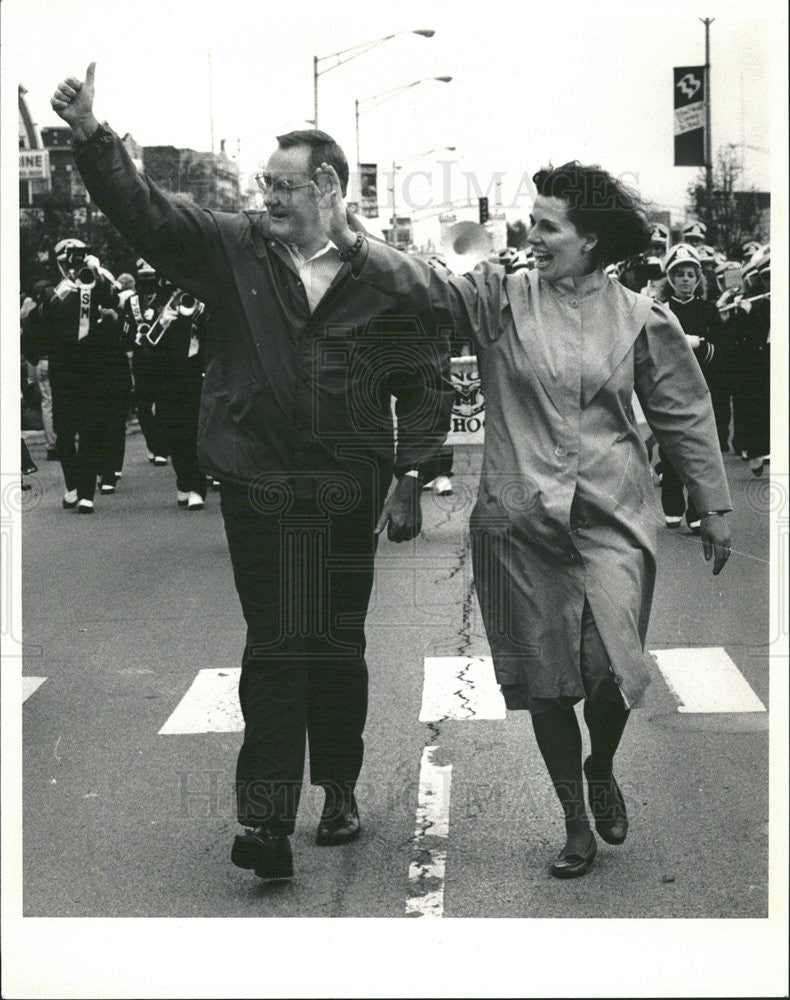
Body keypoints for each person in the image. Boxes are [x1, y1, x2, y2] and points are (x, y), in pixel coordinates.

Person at [51, 63, 453, 879]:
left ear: (329, 187)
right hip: (257, 479)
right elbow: (147, 215)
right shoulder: (233, 248)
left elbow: (425, 373)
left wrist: (413, 474)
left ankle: (338, 787)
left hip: (348, 485)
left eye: (280, 186)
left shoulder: (383, 275)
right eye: (261, 184)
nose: (263, 197)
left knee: (335, 641)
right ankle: (267, 821)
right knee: (275, 641)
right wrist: (93, 136)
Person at [317, 158, 732, 878]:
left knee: (610, 670)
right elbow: (423, 283)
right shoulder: (497, 298)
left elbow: (685, 413)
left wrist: (713, 502)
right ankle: (574, 818)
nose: (531, 236)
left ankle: (600, 763)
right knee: (547, 682)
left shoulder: (640, 316)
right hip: (521, 522)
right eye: (530, 222)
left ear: (591, 240)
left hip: (614, 516)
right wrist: (354, 242)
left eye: (548, 226)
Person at [656, 243, 733, 527]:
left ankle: (697, 509)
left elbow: (723, 348)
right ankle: (673, 502)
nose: (686, 279)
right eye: (679, 274)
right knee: (672, 448)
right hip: (671, 388)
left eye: (691, 274)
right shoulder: (661, 310)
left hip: (702, 386)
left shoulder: (708, 310)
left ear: (698, 279)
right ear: (671, 279)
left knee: (700, 451)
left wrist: (699, 346)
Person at [718, 245, 770, 476]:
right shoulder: (748, 301)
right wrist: (739, 312)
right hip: (754, 362)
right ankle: (755, 448)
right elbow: (737, 336)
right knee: (754, 403)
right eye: (766, 277)